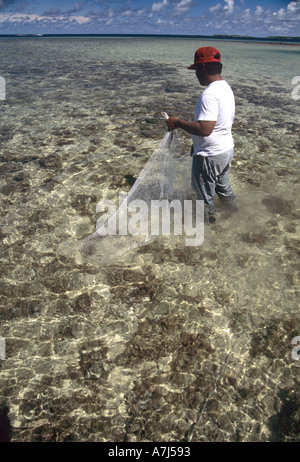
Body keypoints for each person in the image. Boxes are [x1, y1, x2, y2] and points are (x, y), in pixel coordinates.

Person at [166, 46, 236, 223]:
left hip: (209, 156)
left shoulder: (209, 95)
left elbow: (205, 129)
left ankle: (211, 229)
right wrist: (194, 144)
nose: (196, 74)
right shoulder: (225, 87)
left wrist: (177, 122)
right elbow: (218, 123)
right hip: (225, 151)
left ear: (203, 68)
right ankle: (235, 215)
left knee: (204, 197)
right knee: (223, 188)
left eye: (196, 69)